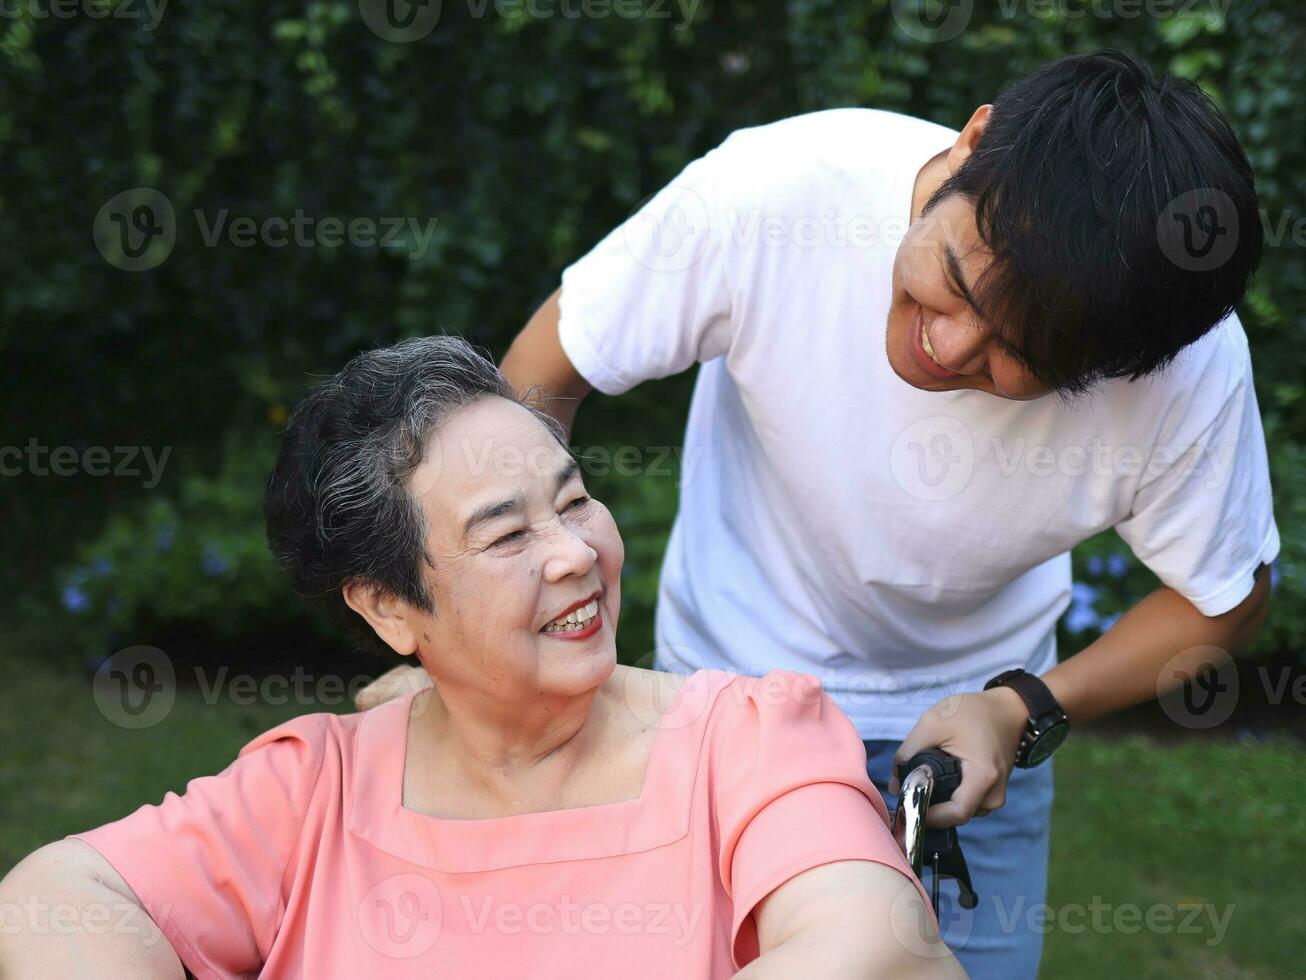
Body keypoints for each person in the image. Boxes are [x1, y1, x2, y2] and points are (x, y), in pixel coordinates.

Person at [357, 50, 1276, 978]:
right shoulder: (775, 193)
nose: (943, 345)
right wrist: (475, 652)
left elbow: (1223, 599)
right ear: (974, 143)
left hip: (964, 760)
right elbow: (544, 372)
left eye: (1015, 356)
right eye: (953, 279)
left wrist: (1022, 709)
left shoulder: (1183, 371)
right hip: (712, 720)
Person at [0, 337, 965, 979]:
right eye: (507, 536)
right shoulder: (313, 792)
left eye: (575, 498)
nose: (576, 553)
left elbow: (879, 942)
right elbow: (50, 900)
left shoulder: (747, 743)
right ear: (389, 609)